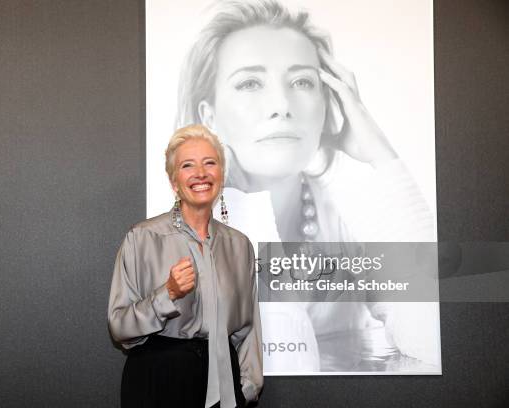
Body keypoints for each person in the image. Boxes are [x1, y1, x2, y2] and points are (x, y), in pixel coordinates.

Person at [174, 0, 440, 372]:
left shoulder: (347, 214)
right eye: (250, 83)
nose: (281, 105)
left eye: (302, 81)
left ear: (329, 101)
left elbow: (437, 338)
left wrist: (383, 158)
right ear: (210, 117)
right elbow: (278, 369)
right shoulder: (179, 238)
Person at [108, 124, 263, 407]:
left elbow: (249, 329)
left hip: (224, 386)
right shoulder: (142, 238)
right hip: (159, 382)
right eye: (188, 165)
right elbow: (119, 327)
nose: (201, 173)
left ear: (221, 174)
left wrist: (248, 387)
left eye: (210, 163)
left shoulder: (239, 246)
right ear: (174, 182)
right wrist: (166, 294)